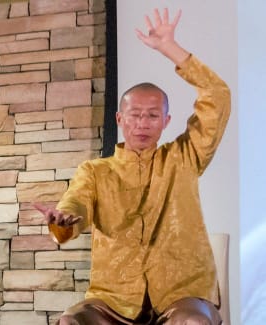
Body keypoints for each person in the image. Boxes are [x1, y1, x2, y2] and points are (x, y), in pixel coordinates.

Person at [34, 7, 230, 325]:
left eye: (152, 115)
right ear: (120, 119)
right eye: (135, 114)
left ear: (166, 121)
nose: (142, 123)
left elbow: (217, 97)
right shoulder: (95, 171)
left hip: (181, 296)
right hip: (113, 301)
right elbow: (76, 204)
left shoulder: (184, 156)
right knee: (71, 322)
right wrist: (63, 222)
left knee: (192, 323)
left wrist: (170, 49)